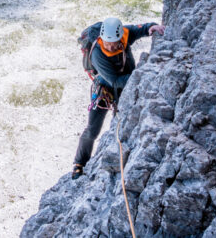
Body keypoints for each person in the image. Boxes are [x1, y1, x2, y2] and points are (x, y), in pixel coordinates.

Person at [71, 17, 165, 180]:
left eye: (113, 43)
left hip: (126, 83)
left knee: (119, 125)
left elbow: (140, 29)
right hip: (105, 87)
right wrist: (140, 74)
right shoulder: (98, 54)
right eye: (107, 43)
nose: (111, 46)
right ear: (102, 39)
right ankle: (79, 164)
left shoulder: (124, 35)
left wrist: (151, 27)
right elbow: (114, 80)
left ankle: (115, 152)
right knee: (92, 129)